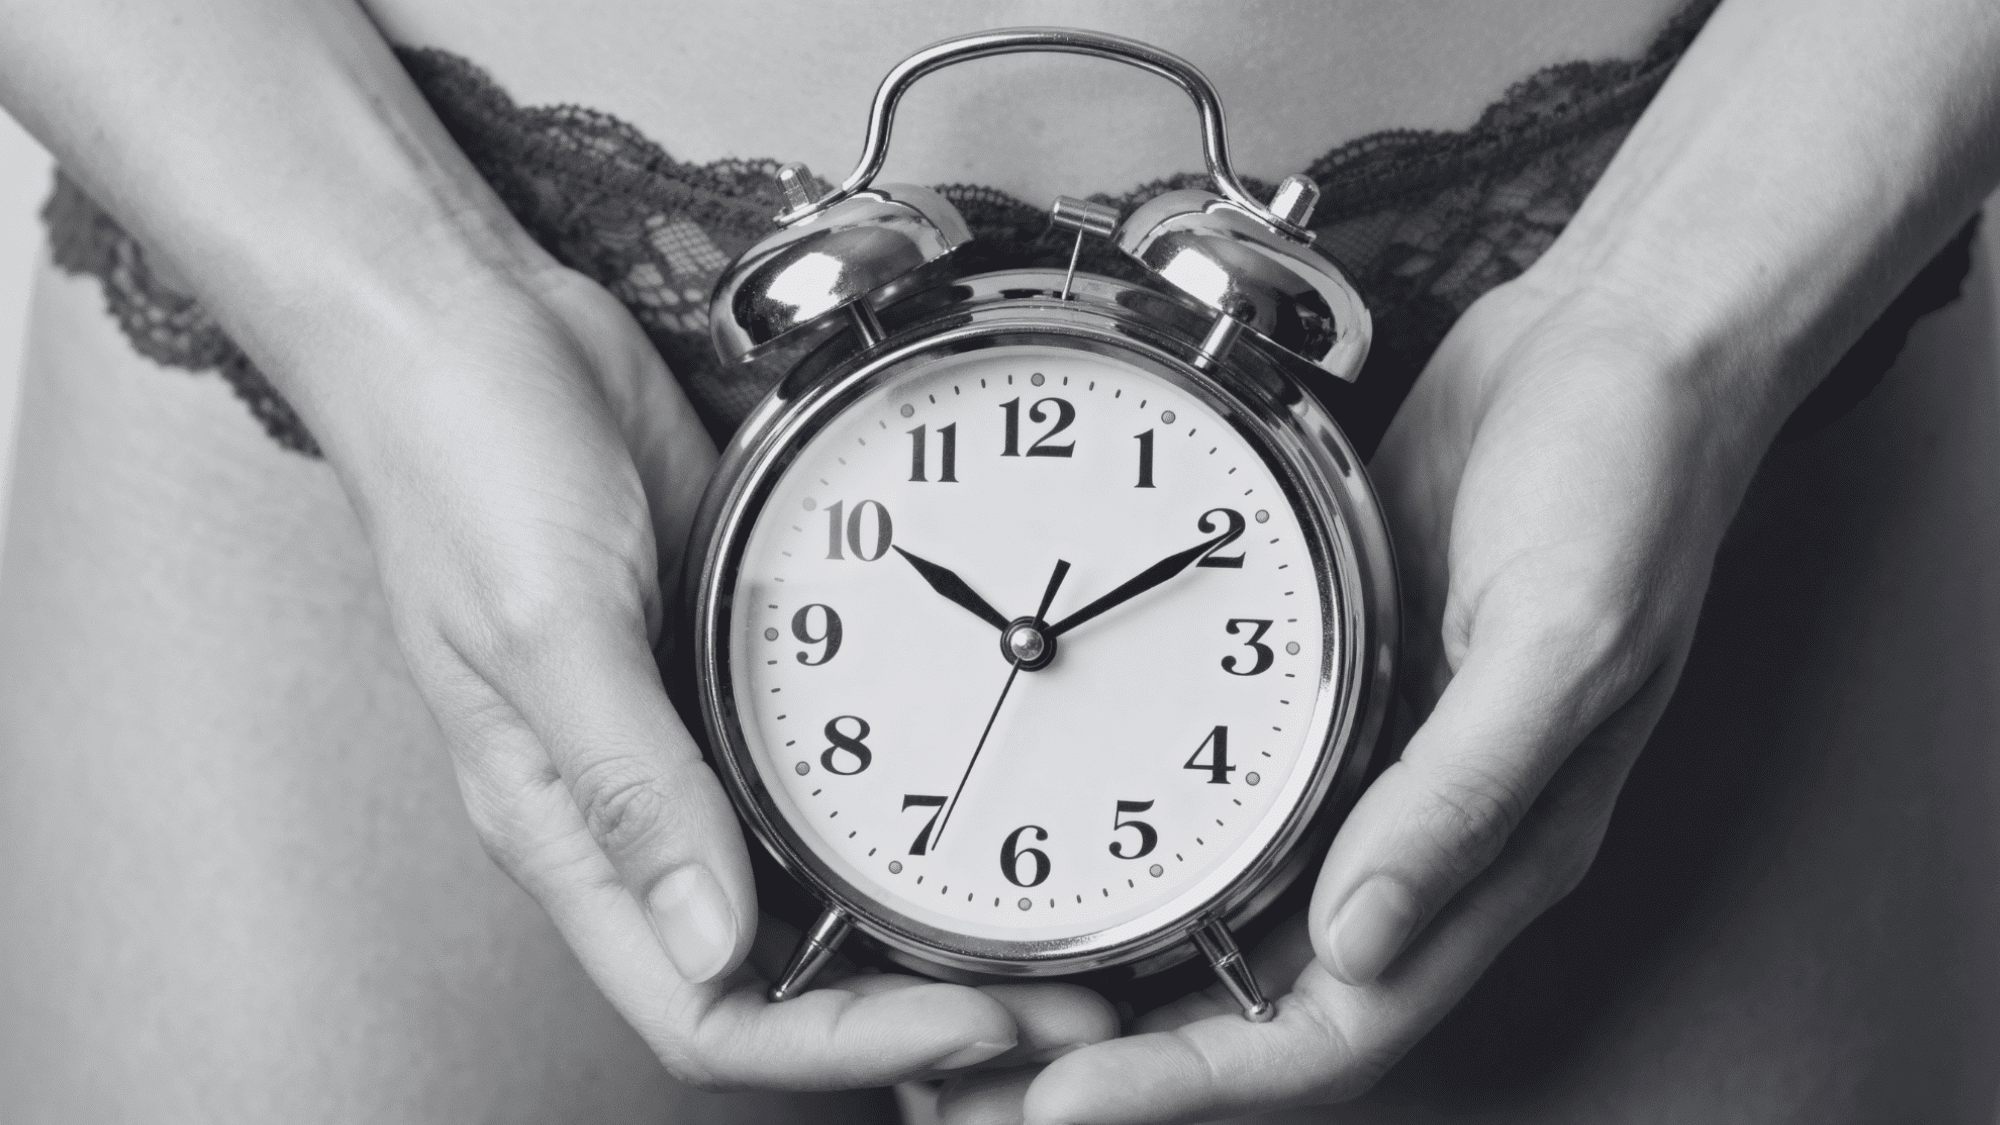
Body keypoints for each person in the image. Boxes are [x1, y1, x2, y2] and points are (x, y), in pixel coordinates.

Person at [1, 1, 1996, 1122]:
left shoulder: (1680, 307)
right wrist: (394, 300)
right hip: (372, 281)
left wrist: (1691, 311)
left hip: (1668, 254)